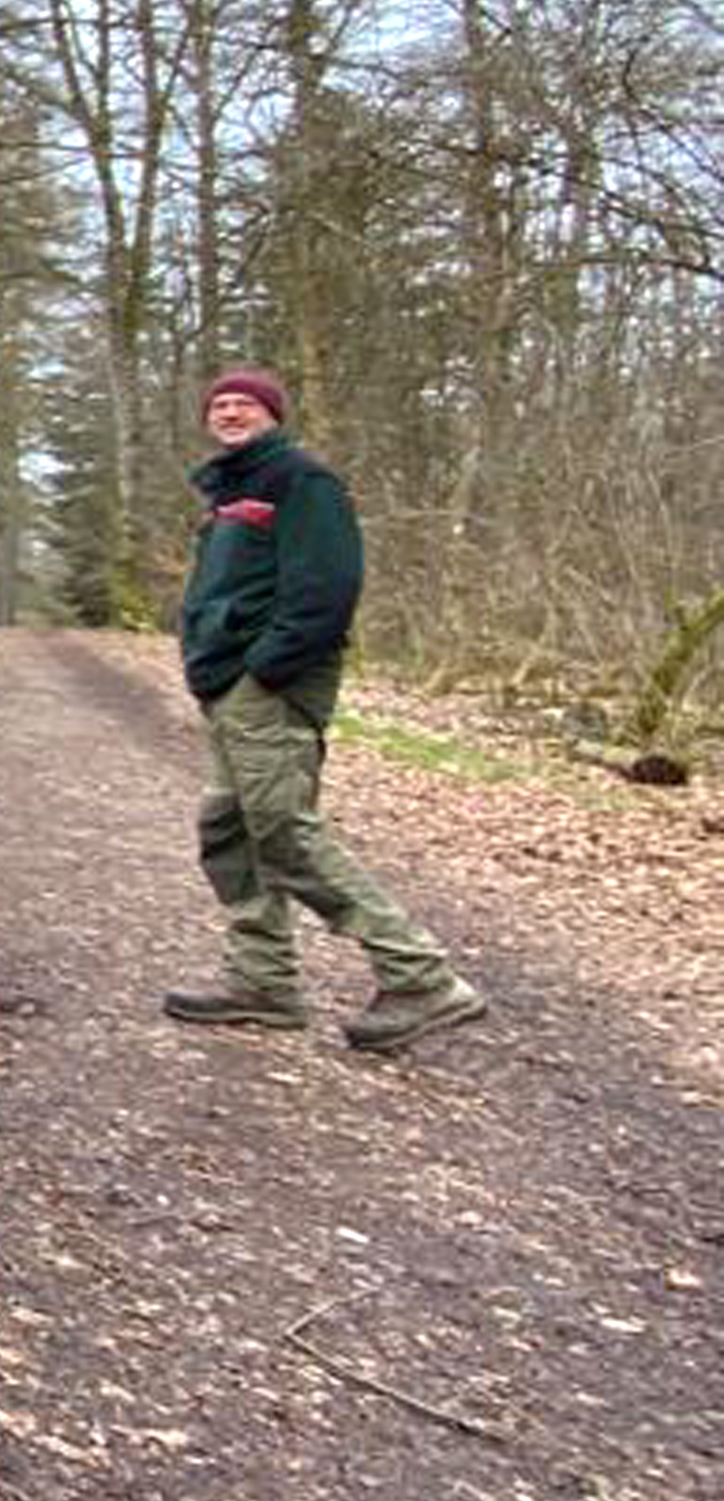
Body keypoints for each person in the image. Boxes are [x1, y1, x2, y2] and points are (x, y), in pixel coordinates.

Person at [160, 370, 484, 1052]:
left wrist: (266, 669)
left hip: (271, 687)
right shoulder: (229, 493)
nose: (230, 412)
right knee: (231, 829)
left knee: (282, 829)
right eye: (218, 404)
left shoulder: (302, 482)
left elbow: (328, 589)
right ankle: (263, 981)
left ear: (273, 415)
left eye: (245, 403)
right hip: (226, 684)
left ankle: (419, 975)